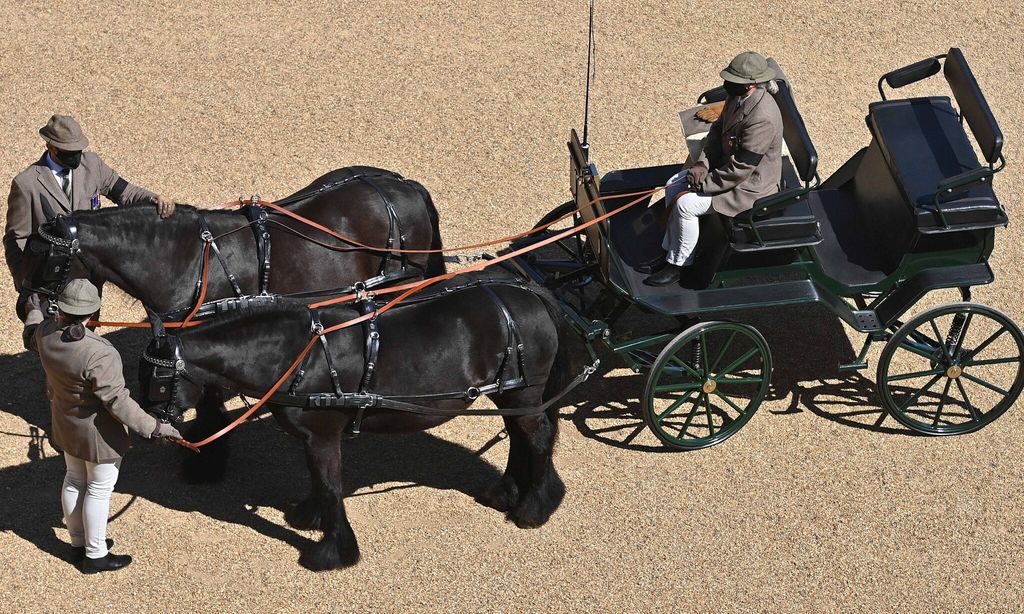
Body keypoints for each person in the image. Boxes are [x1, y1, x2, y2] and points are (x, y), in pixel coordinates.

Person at [30, 279, 182, 573]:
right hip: (99, 434)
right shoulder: (99, 352)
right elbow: (118, 402)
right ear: (91, 314)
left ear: (60, 309)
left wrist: (34, 309)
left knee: (74, 479)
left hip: (65, 423)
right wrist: (155, 427)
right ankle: (95, 555)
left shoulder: (44, 334)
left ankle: (78, 544)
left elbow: (32, 330)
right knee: (99, 490)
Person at [4, 114, 179, 330]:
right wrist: (24, 282)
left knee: (86, 333)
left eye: (78, 150)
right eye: (70, 152)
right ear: (50, 147)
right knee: (53, 343)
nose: (76, 157)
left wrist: (153, 198)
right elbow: (15, 238)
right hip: (50, 280)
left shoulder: (92, 165)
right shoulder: (27, 184)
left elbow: (125, 192)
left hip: (88, 277)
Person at [643, 51, 784, 286]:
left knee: (686, 205)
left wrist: (704, 184)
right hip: (725, 171)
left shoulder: (763, 118)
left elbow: (742, 168)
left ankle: (679, 264)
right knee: (671, 186)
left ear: (750, 84)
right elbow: (717, 132)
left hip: (749, 188)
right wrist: (701, 164)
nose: (727, 84)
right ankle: (670, 252)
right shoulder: (736, 97)